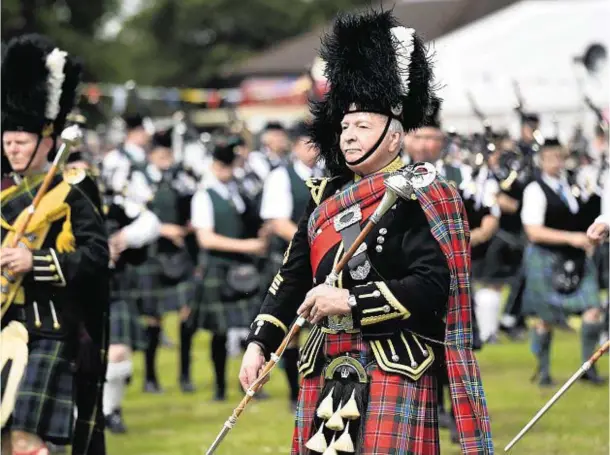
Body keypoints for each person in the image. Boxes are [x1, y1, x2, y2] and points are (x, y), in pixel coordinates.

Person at [239, 10, 493, 455]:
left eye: (362, 126)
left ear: (395, 138)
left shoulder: (424, 194)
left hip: (394, 364)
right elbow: (293, 275)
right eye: (343, 127)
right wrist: (261, 341)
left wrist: (351, 300)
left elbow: (433, 285)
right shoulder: (324, 197)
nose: (349, 137)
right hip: (325, 362)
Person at [0, 34, 109, 455]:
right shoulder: (4, 191)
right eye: (7, 141)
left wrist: (36, 260)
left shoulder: (74, 191)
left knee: (28, 444)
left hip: (48, 328)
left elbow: (96, 258)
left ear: (47, 142)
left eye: (21, 141)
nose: (12, 148)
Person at [520, 138, 605, 386]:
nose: (557, 162)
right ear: (542, 160)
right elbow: (533, 231)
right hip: (544, 257)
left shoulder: (570, 186)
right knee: (545, 318)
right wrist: (571, 238)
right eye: (552, 158)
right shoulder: (534, 190)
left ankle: (588, 368)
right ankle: (543, 371)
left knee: (593, 310)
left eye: (560, 157)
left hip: (576, 257)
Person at [190, 137, 267, 401]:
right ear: (213, 165)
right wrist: (247, 246)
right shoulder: (203, 195)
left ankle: (250, 385)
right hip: (218, 267)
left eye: (231, 166)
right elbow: (206, 239)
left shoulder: (236, 191)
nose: (228, 171)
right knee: (219, 332)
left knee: (251, 330)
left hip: (242, 267)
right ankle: (220, 388)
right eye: (223, 166)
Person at [258, 121, 321, 410]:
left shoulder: (329, 175)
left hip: (323, 262)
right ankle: (295, 393)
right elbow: (277, 221)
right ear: (295, 146)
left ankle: (320, 384)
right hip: (293, 262)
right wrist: (314, 240)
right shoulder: (280, 177)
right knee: (292, 330)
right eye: (308, 143)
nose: (314, 150)